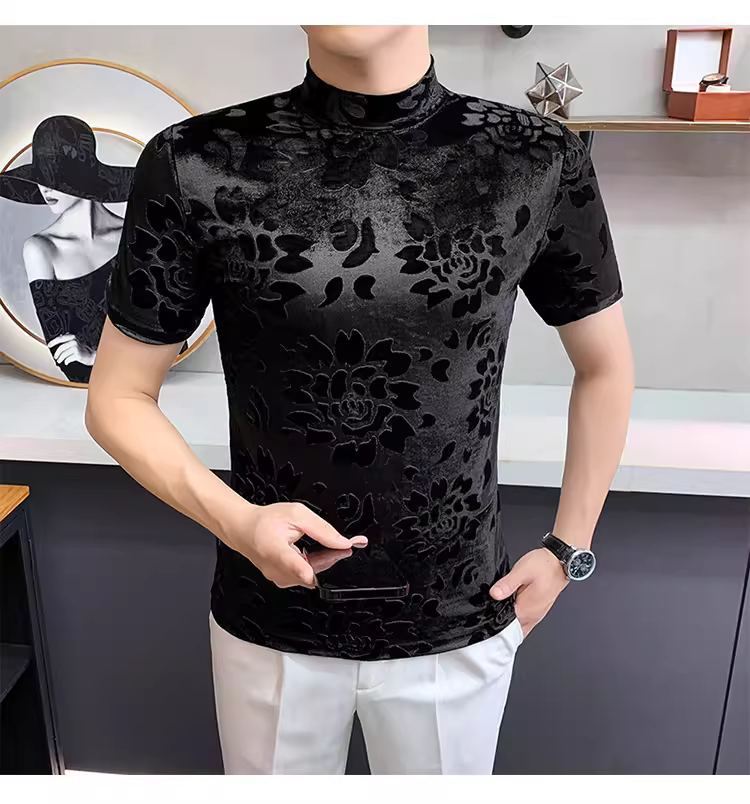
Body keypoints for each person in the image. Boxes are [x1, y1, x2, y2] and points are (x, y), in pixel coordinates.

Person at [86, 25, 634, 775]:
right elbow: (117, 395)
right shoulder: (196, 160)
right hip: (270, 618)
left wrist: (569, 550)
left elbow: (605, 366)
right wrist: (238, 523)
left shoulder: (534, 157)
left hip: (457, 615)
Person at [0, 116, 134, 383]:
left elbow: (173, 340)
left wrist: (97, 356)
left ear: (83, 178)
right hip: (83, 394)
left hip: (151, 387)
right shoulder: (41, 249)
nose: (45, 188)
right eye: (40, 178)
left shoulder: (133, 237)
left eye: (55, 177)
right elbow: (68, 362)